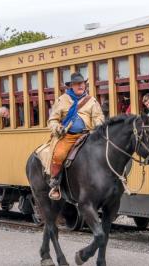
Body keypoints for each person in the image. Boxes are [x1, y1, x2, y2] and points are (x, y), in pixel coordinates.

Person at [48, 72, 104, 200]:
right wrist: (57, 128)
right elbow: (52, 120)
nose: (81, 86)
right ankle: (55, 183)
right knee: (59, 155)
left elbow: (98, 117)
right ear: (71, 86)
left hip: (87, 135)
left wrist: (98, 126)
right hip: (68, 136)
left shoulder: (92, 101)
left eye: (82, 83)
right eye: (77, 84)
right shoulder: (62, 100)